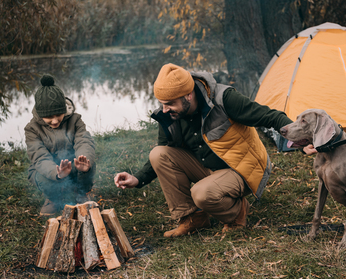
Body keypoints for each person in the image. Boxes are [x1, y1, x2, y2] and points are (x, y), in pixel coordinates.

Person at [114, 63, 316, 237]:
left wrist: (301, 141)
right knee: (159, 154)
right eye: (161, 104)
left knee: (201, 193)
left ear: (188, 95)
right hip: (207, 169)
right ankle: (193, 218)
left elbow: (269, 116)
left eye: (169, 104)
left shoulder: (224, 99)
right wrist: (138, 179)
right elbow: (165, 150)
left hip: (240, 168)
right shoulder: (169, 115)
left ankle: (237, 213)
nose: (164, 109)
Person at [25, 74, 96, 216]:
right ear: (40, 114)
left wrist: (84, 159)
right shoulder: (32, 129)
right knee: (43, 176)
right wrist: (55, 172)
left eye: (58, 114)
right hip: (50, 169)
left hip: (72, 164)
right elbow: (39, 156)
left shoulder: (75, 120)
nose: (55, 120)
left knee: (88, 164)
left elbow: (83, 140)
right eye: (49, 117)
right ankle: (52, 199)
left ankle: (81, 194)